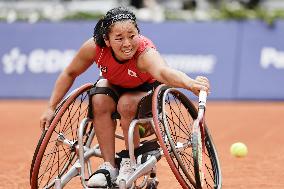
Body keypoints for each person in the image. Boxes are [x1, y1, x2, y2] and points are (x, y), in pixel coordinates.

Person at [39, 6, 210, 188]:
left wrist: (190, 83)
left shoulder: (144, 54)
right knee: (98, 97)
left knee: (126, 103)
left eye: (132, 35)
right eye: (119, 38)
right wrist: (51, 107)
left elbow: (164, 72)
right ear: (107, 40)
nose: (127, 43)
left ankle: (130, 161)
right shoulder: (94, 48)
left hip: (147, 89)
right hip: (115, 85)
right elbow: (70, 73)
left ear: (138, 33)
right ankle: (109, 166)